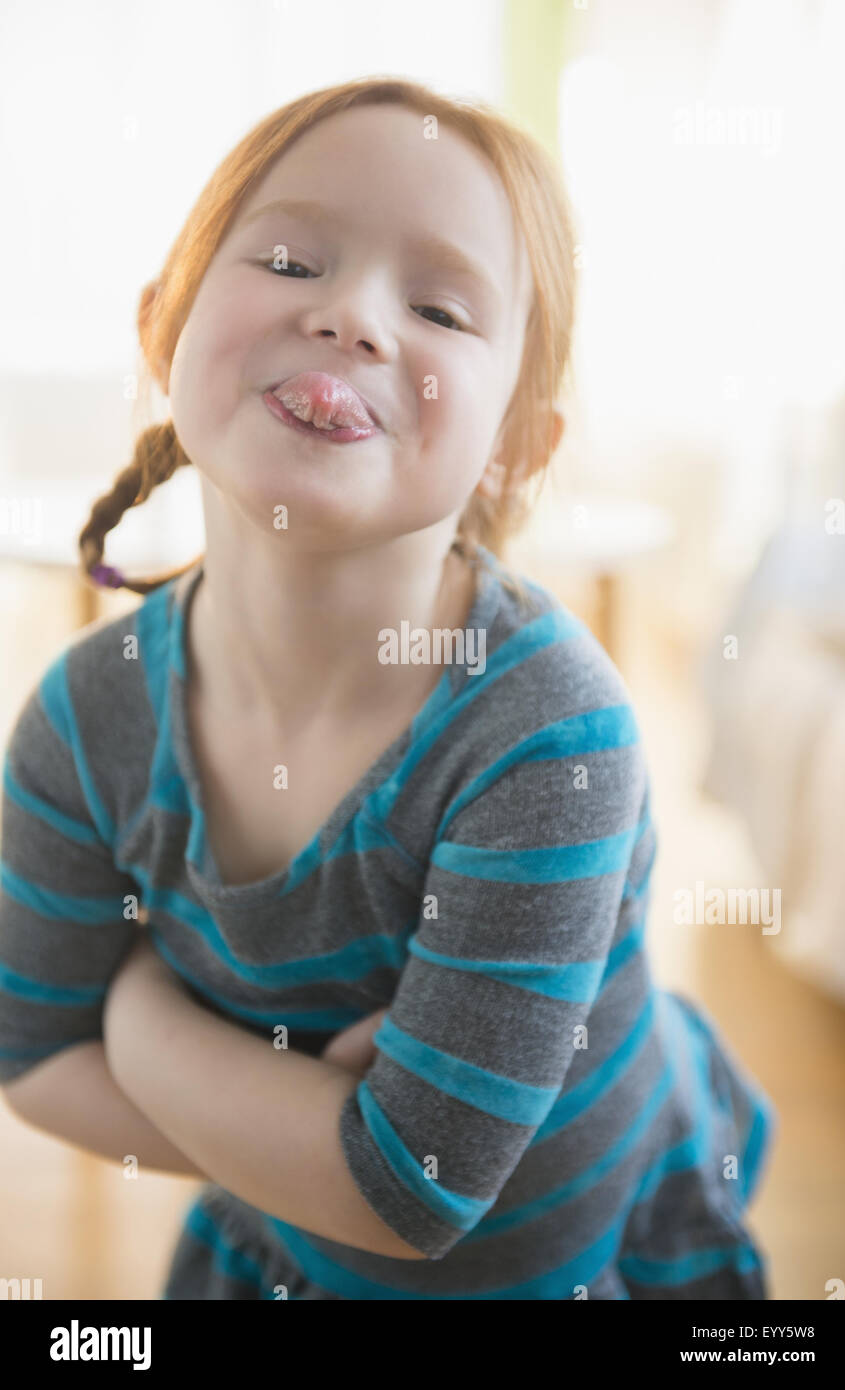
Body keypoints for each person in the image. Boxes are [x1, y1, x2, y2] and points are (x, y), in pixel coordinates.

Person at [0, 76, 775, 1300]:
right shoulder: (77, 726)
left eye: (436, 305)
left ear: (515, 444)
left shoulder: (545, 735)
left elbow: (409, 1190)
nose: (355, 317)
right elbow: (32, 1056)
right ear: (163, 326)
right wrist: (306, 1133)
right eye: (295, 259)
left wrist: (142, 1011)